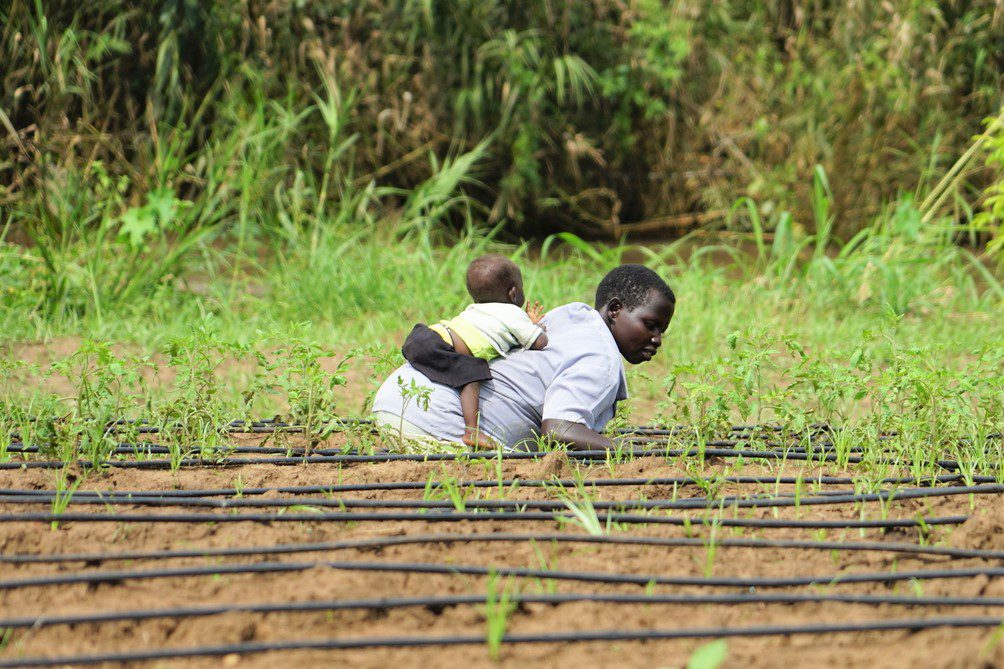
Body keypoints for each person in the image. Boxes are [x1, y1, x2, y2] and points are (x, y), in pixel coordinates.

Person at [373, 264, 675, 451]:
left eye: (661, 330)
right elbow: (559, 429)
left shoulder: (569, 316)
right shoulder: (602, 359)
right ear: (615, 309)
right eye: (650, 325)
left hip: (396, 397)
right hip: (436, 422)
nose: (656, 339)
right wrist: (619, 449)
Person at [399, 254, 548, 448]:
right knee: (474, 372)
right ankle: (472, 431)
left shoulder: (475, 309)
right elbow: (539, 342)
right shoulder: (512, 313)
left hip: (422, 336)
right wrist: (536, 326)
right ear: (513, 293)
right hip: (439, 346)